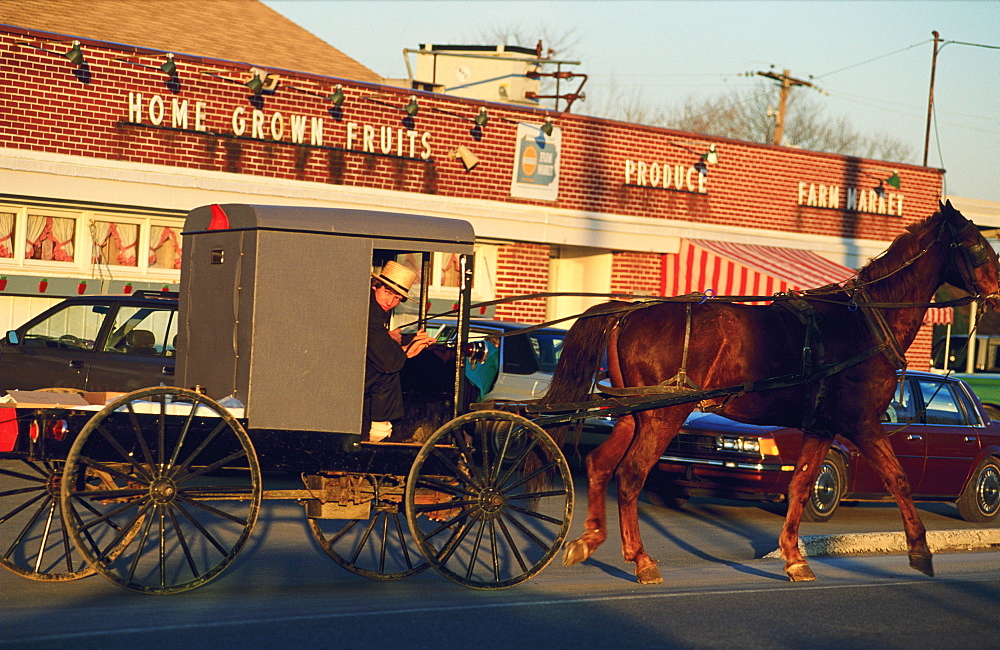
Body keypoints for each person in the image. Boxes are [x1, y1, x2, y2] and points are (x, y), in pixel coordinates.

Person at [364, 260, 434, 442]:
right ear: (375, 287)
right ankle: (378, 431)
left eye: (397, 298)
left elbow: (382, 348)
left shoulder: (376, 310)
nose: (390, 301)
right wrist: (406, 350)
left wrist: (405, 346)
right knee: (387, 374)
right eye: (387, 292)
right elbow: (389, 362)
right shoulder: (370, 312)